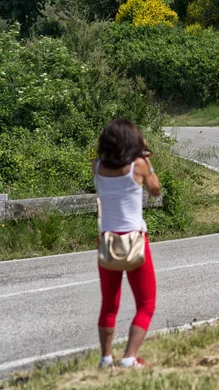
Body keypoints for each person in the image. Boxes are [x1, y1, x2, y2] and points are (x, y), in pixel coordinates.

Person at [93, 118, 161, 369]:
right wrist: (147, 160)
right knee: (146, 303)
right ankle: (130, 357)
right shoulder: (140, 166)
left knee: (109, 304)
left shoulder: (97, 166)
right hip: (135, 241)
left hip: (107, 242)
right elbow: (155, 190)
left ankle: (105, 358)